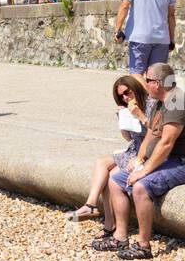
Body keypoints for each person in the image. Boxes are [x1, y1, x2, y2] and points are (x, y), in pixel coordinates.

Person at [94, 62, 185, 260]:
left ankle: (144, 245)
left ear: (157, 83)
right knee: (115, 179)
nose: (144, 85)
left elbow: (166, 143)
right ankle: (120, 236)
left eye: (147, 80)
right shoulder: (161, 102)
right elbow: (152, 135)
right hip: (170, 160)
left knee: (140, 187)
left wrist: (143, 172)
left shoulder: (177, 101)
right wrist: (138, 160)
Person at [66, 75, 153, 225]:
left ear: (135, 88)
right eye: (121, 96)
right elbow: (129, 138)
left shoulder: (151, 104)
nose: (125, 98)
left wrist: (139, 114)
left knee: (112, 175)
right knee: (102, 163)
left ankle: (109, 223)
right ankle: (92, 205)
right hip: (134, 149)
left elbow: (156, 132)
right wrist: (121, 119)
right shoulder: (128, 108)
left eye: (127, 92)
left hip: (147, 151)